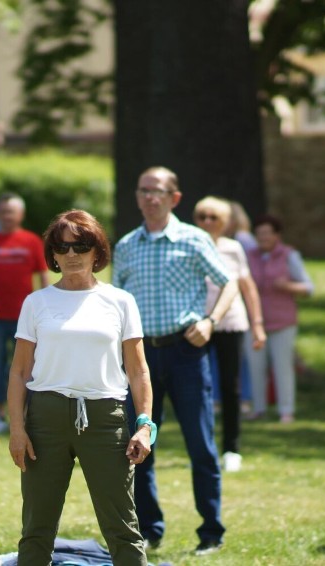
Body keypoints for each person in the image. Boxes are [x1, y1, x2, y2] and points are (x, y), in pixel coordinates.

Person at [8, 209, 154, 565]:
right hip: (46, 418)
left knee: (121, 526)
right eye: (63, 247)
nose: (72, 254)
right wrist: (17, 428)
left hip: (106, 418)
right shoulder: (37, 302)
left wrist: (145, 426)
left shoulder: (120, 301)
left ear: (97, 251)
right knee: (37, 527)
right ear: (53, 255)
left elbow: (138, 371)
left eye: (81, 245)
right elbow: (19, 371)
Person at [112, 166, 238, 555]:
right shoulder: (127, 245)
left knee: (200, 445)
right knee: (139, 445)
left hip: (185, 352)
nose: (150, 198)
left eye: (159, 192)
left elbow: (229, 282)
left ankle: (211, 533)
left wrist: (211, 321)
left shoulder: (194, 239)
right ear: (137, 196)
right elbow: (116, 302)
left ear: (174, 198)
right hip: (141, 357)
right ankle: (149, 530)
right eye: (144, 190)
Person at [193, 197, 266, 473]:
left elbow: (247, 286)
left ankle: (231, 448)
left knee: (230, 386)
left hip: (231, 323)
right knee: (198, 386)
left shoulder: (234, 248)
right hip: (198, 324)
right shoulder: (192, 245)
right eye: (202, 216)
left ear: (225, 222)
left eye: (214, 217)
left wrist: (257, 324)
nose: (208, 222)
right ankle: (204, 445)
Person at [0, 193, 49, 434]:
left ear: (20, 215)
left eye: (11, 211)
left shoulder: (32, 242)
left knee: (26, 368)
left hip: (24, 318)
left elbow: (43, 277)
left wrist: (45, 312)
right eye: (3, 211)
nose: (6, 216)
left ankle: (26, 416)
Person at [245, 214, 313, 423]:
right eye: (259, 234)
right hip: (254, 322)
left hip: (283, 323)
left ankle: (286, 411)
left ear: (277, 235)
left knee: (282, 367)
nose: (263, 237)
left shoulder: (289, 255)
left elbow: (308, 288)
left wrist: (287, 286)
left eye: (267, 233)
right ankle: (259, 408)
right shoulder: (249, 256)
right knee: (255, 367)